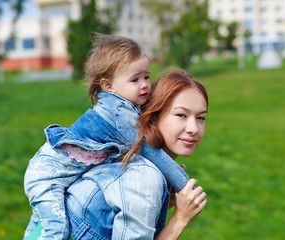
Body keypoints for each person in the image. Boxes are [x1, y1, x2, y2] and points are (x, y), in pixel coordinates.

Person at [23, 34, 189, 240]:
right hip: (48, 173)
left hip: (55, 170)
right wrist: (185, 184)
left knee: (43, 222)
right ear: (108, 85)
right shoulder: (119, 113)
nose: (145, 84)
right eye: (134, 79)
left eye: (146, 77)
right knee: (56, 229)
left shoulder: (124, 109)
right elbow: (148, 150)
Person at [64, 69, 209, 239]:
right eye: (181, 115)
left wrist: (162, 203)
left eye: (201, 118)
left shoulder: (135, 157)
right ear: (153, 117)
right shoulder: (144, 177)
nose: (193, 129)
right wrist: (180, 219)